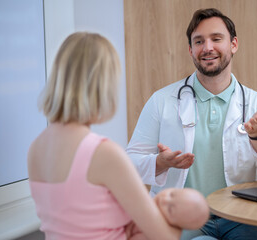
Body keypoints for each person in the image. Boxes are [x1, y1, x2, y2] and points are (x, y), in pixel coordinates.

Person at [126, 8, 257, 240]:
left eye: (216, 39)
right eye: (199, 41)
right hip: (184, 218)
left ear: (233, 44)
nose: (207, 48)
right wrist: (159, 163)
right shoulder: (162, 101)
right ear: (190, 50)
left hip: (241, 218)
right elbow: (130, 163)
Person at [28, 32, 186, 240]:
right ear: (103, 86)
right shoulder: (102, 153)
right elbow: (164, 237)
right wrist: (181, 218)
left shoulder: (36, 149)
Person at [126, 188, 211, 240]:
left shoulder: (151, 233)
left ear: (175, 226)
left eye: (170, 209)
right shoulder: (146, 201)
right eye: (171, 194)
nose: (164, 200)